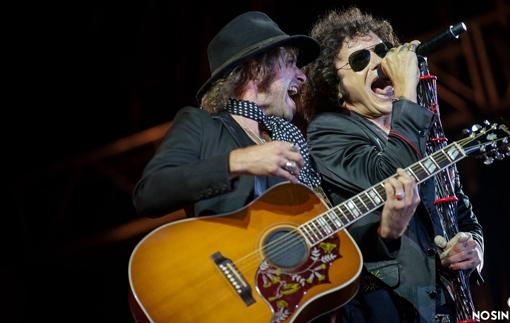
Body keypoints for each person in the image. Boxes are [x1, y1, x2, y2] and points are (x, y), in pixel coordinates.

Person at [132, 12, 419, 321]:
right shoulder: (202, 125)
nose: (303, 76)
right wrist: (238, 161)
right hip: (227, 298)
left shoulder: (292, 139)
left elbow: (330, 239)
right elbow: (150, 192)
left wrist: (386, 234)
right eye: (290, 64)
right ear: (257, 69)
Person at [300, 7, 484, 323]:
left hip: (445, 305)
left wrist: (475, 248)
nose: (379, 63)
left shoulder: (419, 130)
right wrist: (406, 95)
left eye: (382, 51)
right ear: (336, 86)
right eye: (360, 60)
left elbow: (462, 215)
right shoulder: (328, 131)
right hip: (385, 308)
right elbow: (389, 177)